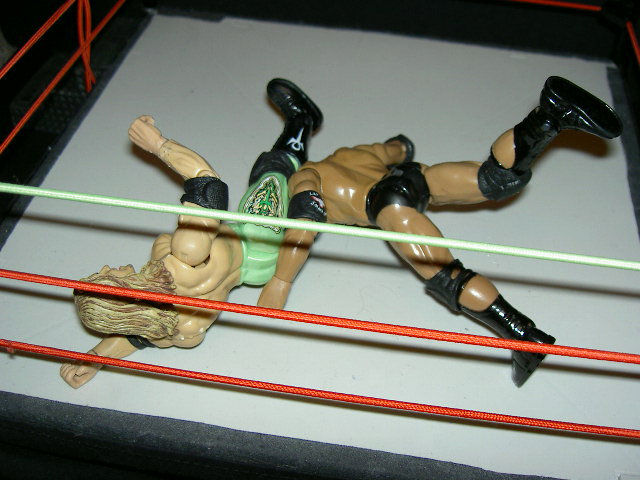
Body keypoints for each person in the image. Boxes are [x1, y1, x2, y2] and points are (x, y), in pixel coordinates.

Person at [257, 76, 622, 386]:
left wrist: (280, 282)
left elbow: (302, 227)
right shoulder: (345, 153)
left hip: (386, 204)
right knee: (493, 177)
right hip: (414, 178)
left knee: (450, 277)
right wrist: (399, 148)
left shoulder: (305, 176)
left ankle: (524, 337)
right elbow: (398, 147)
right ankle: (549, 116)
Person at [60, 79, 323, 388]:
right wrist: (157, 144)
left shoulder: (173, 329)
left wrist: (95, 357)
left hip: (252, 270)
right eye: (104, 275)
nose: (106, 267)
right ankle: (303, 121)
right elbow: (208, 183)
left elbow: (137, 337)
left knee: (279, 181)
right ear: (124, 291)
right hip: (260, 240)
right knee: (276, 169)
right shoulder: (187, 252)